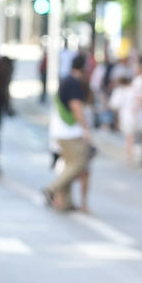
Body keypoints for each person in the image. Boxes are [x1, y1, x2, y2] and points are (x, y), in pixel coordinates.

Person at [44, 52, 91, 212]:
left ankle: (66, 202)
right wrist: (85, 128)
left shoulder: (66, 80)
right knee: (78, 164)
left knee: (69, 166)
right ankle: (51, 188)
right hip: (70, 132)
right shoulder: (73, 83)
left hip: (61, 131)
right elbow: (76, 107)